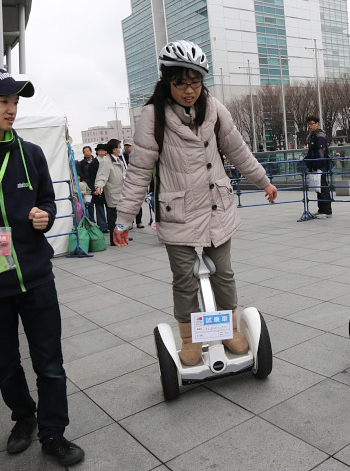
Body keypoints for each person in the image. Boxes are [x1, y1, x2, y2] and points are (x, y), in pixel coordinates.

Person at [0, 66, 84, 466]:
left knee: (49, 360)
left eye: (16, 100)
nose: (12, 109)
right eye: (3, 101)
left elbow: (46, 202)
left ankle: (54, 432)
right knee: (5, 361)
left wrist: (44, 215)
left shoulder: (31, 153)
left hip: (35, 277)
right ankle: (23, 417)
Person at [113, 40, 278, 366]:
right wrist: (123, 218)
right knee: (185, 279)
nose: (189, 90)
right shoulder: (152, 116)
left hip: (217, 206)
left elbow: (238, 150)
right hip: (178, 211)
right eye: (180, 83)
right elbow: (140, 169)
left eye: (195, 82)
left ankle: (228, 329)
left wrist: (264, 181)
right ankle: (189, 338)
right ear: (166, 81)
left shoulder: (214, 108)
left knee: (224, 274)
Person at [95, 139, 126, 246]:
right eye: (119, 147)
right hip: (113, 192)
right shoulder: (106, 161)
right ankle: (114, 239)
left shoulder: (118, 159)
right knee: (114, 216)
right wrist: (99, 186)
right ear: (114, 149)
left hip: (121, 191)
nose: (120, 149)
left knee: (121, 216)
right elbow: (102, 176)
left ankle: (121, 236)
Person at [304, 114, 332, 218]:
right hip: (315, 165)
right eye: (308, 124)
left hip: (321, 165)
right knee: (318, 188)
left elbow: (320, 153)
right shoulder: (312, 136)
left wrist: (315, 165)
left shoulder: (320, 136)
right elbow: (311, 152)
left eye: (312, 124)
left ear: (317, 124)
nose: (310, 126)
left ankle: (327, 211)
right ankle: (321, 210)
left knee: (323, 187)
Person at [122, 139, 144, 228]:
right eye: (125, 145)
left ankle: (139, 221)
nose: (127, 147)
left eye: (129, 145)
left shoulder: (137, 156)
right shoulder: (121, 157)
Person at [91, 144, 109, 232]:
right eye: (100, 150)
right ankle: (102, 226)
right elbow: (90, 178)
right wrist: (93, 189)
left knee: (110, 207)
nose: (102, 152)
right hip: (97, 188)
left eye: (104, 150)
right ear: (97, 152)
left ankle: (111, 224)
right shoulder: (93, 163)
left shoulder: (109, 161)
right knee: (99, 208)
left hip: (108, 188)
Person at [77, 146, 96, 222]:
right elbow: (80, 174)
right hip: (86, 185)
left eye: (88, 151)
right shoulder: (81, 163)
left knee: (98, 204)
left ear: (91, 152)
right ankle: (91, 220)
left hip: (95, 183)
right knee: (88, 204)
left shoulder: (96, 161)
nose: (86, 153)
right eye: (84, 152)